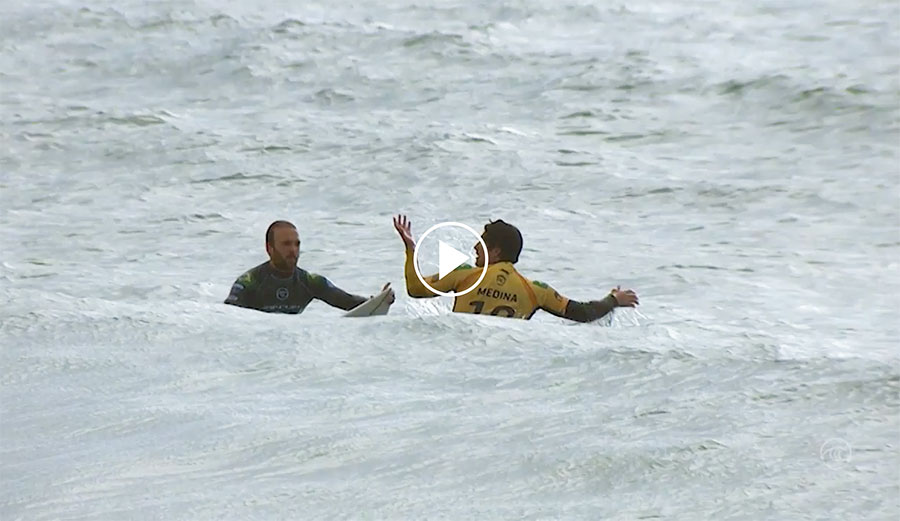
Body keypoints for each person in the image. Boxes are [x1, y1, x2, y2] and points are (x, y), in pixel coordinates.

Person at [392, 214, 638, 322]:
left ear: (496, 251)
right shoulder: (534, 290)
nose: (475, 247)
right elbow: (584, 313)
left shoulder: (466, 275)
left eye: (482, 242)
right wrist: (613, 300)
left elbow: (416, 289)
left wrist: (411, 248)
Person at [225, 220, 392, 314]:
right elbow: (228, 318)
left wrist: (378, 301)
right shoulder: (249, 283)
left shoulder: (309, 281)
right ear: (269, 248)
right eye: (286, 244)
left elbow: (347, 301)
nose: (293, 250)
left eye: (297, 244)